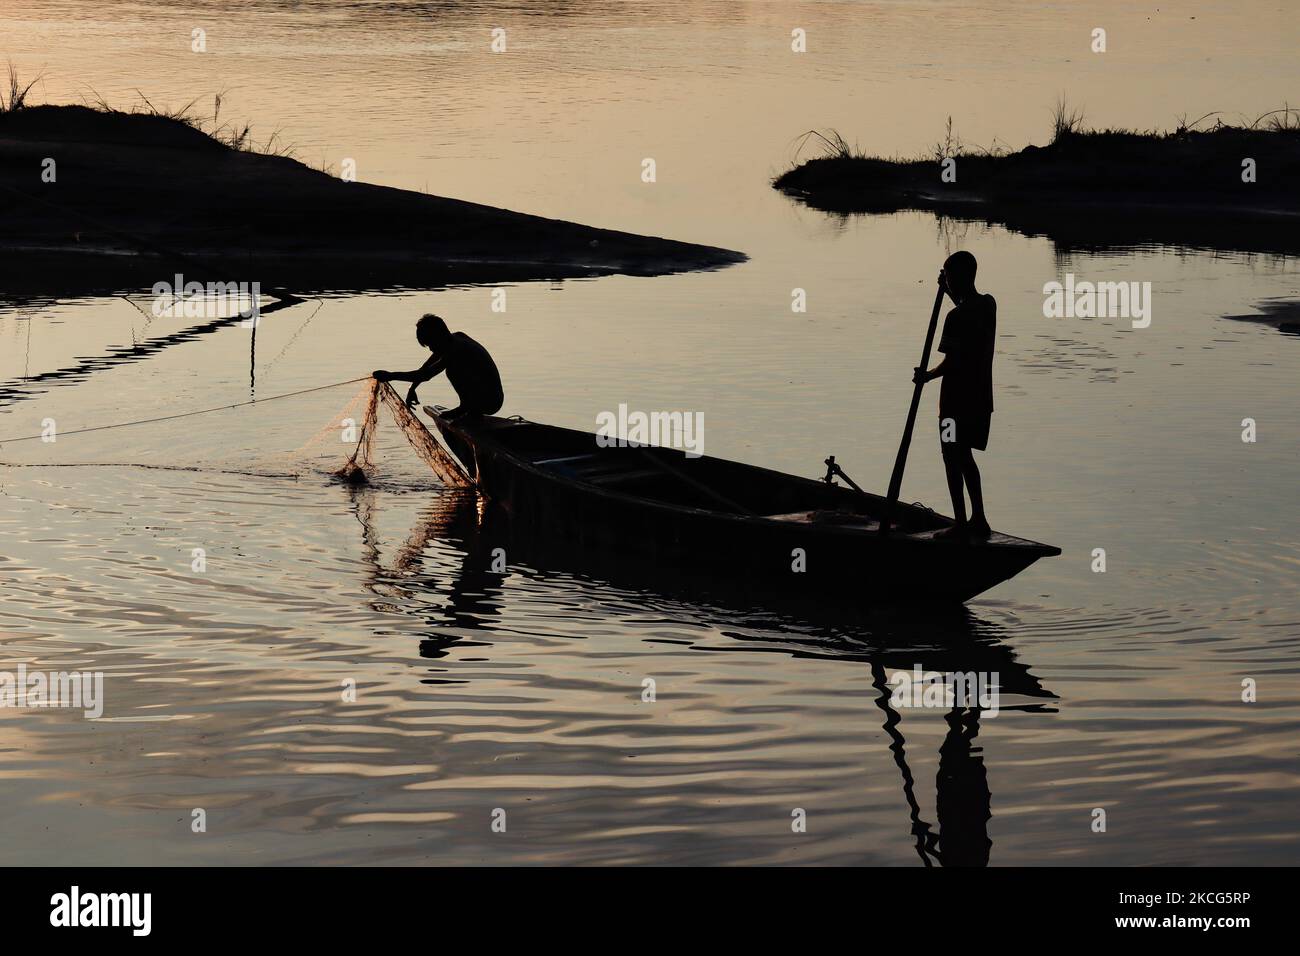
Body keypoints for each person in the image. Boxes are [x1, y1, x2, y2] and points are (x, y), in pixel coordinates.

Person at [913, 251, 995, 539]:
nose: (946, 280)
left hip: (954, 404)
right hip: (981, 401)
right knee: (966, 457)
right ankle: (979, 519)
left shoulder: (955, 317)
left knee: (952, 457)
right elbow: (966, 309)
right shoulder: (987, 306)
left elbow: (952, 362)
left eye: (949, 276)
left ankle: (961, 523)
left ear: (958, 277)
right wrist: (948, 289)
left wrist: (926, 376)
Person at [372, 314, 504, 421]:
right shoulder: (455, 338)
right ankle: (468, 409)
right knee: (453, 368)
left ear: (439, 336)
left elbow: (426, 375)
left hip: (490, 402)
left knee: (452, 370)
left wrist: (391, 376)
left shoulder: (455, 350)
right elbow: (425, 367)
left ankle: (468, 409)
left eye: (430, 344)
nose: (430, 349)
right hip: (489, 397)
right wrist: (413, 388)